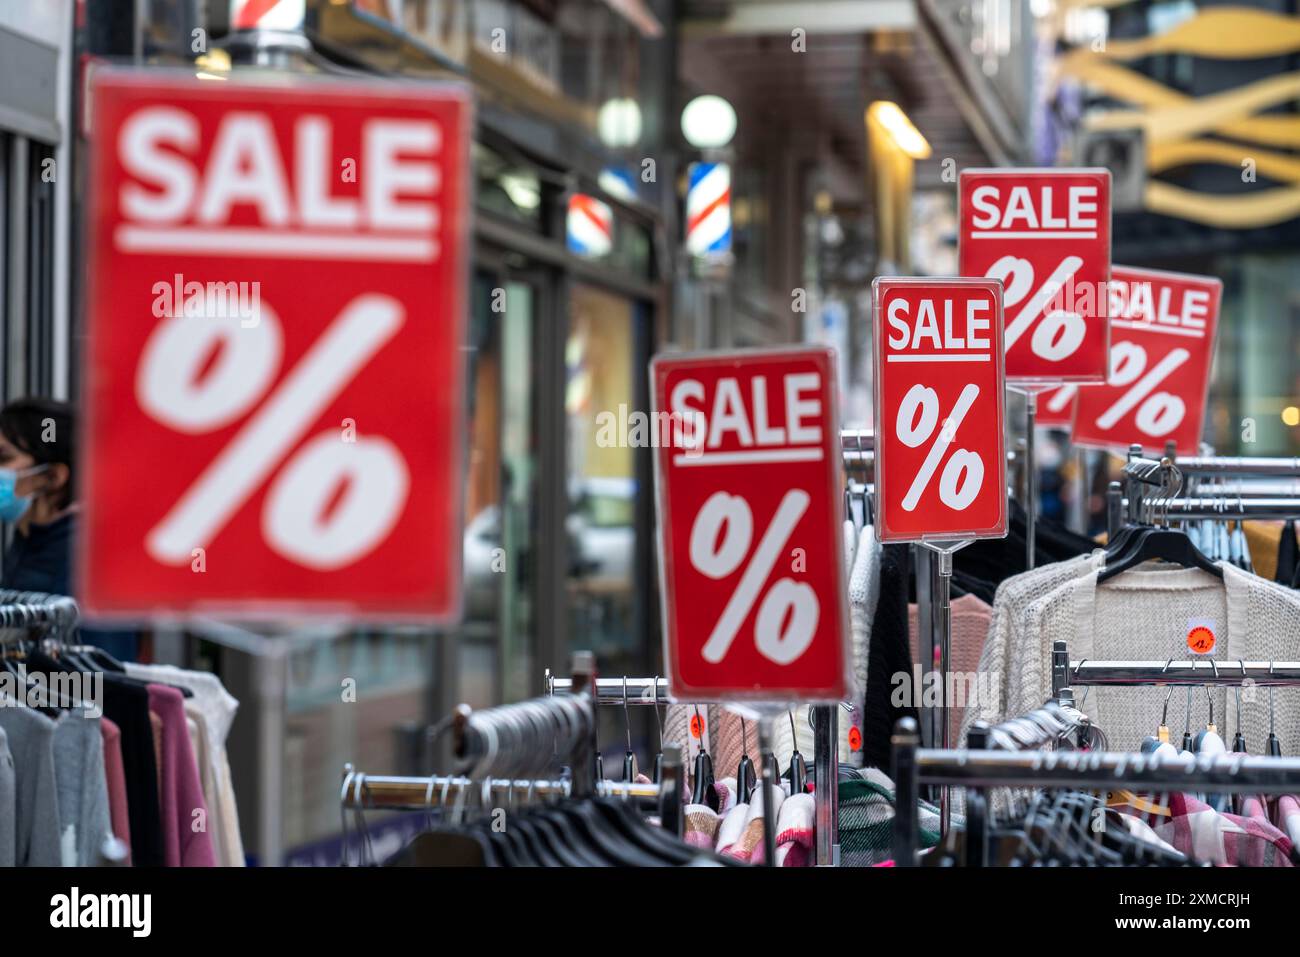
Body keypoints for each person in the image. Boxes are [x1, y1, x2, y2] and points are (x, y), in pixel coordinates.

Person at [0, 397, 138, 661]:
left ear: (53, 477)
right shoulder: (27, 537)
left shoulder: (89, 560)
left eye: (4, 458)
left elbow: (101, 672)